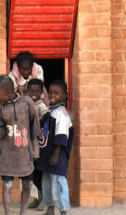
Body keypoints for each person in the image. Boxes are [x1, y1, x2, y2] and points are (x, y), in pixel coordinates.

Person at [0, 75, 40, 215]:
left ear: (8, 92)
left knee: (27, 184)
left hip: (24, 154)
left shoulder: (27, 103)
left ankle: (23, 212)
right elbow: (1, 134)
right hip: (7, 155)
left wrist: (35, 151)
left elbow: (34, 129)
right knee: (7, 185)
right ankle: (8, 213)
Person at [34, 79, 73, 215]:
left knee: (59, 183)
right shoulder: (51, 112)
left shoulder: (61, 114)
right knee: (47, 183)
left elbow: (61, 135)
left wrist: (56, 154)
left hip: (56, 157)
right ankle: (50, 208)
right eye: (50, 93)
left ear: (64, 96)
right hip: (47, 156)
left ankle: (63, 210)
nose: (52, 96)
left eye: (56, 93)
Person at [26, 78, 48, 210]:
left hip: (38, 145)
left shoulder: (42, 106)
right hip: (28, 144)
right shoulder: (26, 104)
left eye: (37, 91)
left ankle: (44, 199)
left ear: (41, 93)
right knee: (32, 175)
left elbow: (45, 125)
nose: (34, 93)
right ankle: (39, 198)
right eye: (31, 90)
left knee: (39, 174)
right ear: (27, 91)